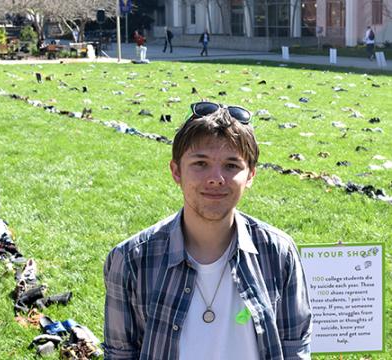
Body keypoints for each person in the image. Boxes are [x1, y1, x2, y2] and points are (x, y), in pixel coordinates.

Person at [103, 102, 313, 359]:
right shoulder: (130, 260)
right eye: (200, 163)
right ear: (176, 171)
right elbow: (120, 355)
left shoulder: (279, 253)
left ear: (250, 176)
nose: (216, 178)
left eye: (231, 165)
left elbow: (295, 349)